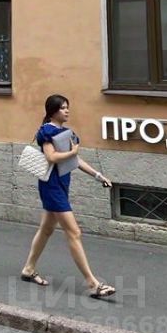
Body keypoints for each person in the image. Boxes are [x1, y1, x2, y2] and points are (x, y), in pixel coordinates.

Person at [21, 94, 115, 299]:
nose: (67, 111)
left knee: (46, 230)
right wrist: (72, 153)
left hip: (62, 185)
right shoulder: (47, 131)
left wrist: (99, 176)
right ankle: (93, 284)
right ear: (53, 111)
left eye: (67, 107)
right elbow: (51, 157)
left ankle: (28, 269)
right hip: (51, 186)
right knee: (74, 232)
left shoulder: (66, 133)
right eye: (63, 108)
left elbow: (75, 160)